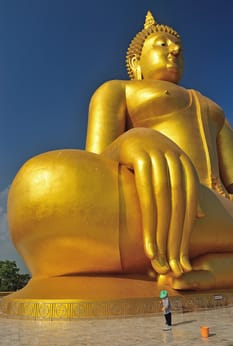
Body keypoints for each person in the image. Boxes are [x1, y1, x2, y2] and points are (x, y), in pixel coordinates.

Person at [7, 11, 233, 294]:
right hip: (148, 199)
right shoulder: (118, 90)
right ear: (135, 62)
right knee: (40, 186)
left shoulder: (215, 112)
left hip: (213, 207)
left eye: (178, 47)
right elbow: (97, 162)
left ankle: (215, 264)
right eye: (162, 44)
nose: (174, 50)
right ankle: (218, 259)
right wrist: (130, 141)